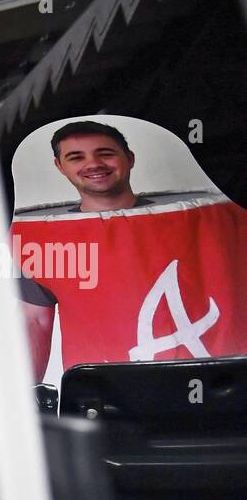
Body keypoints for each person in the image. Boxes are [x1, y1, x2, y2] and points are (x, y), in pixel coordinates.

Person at [17, 119, 247, 379]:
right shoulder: (40, 237)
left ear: (130, 158)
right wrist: (22, 401)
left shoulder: (221, 217)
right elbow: (34, 321)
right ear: (60, 166)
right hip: (109, 399)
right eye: (76, 157)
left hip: (226, 388)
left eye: (105, 153)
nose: (93, 164)